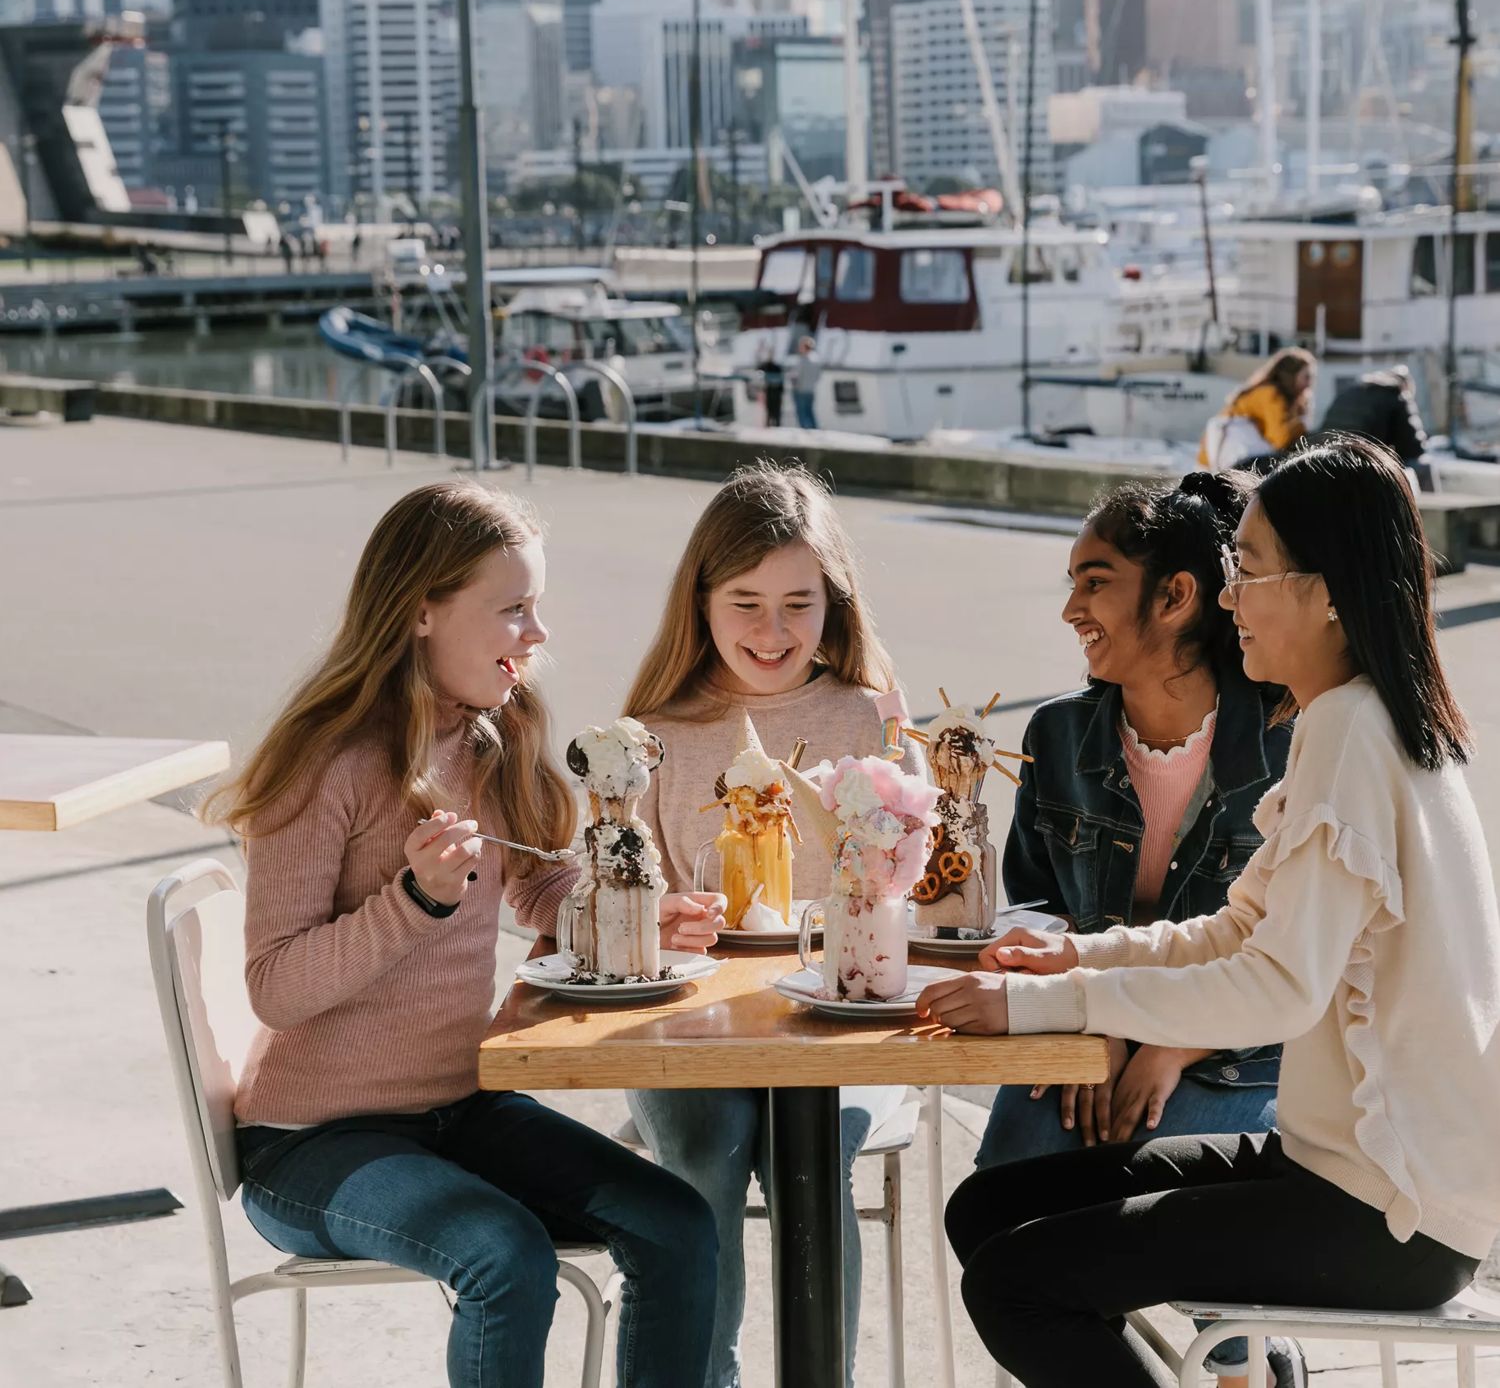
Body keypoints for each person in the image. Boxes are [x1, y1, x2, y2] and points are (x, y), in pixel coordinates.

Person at [920, 437, 1500, 1388]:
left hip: (1389, 1215)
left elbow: (1275, 988)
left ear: (1326, 593)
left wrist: (1043, 1009)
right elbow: (1239, 930)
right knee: (990, 1214)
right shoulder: (1349, 718)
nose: (1229, 597)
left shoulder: (1354, 729)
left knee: (1014, 1283)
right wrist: (1074, 966)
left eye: (1251, 570)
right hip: (1332, 1172)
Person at [205, 482, 719, 1388]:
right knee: (503, 1254)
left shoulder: (493, 732)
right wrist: (416, 900)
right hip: (311, 1142)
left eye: (538, 607)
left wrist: (632, 919)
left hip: (457, 1107)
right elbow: (273, 986)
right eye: (514, 609)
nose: (539, 633)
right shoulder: (323, 760)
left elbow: (542, 885)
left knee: (675, 1222)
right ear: (421, 614)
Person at [621, 460, 920, 1388]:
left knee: (813, 1146)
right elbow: (608, 907)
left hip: (837, 1013)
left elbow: (920, 884)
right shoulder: (653, 732)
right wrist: (658, 923)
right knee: (707, 1152)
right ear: (700, 601)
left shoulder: (870, 717)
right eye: (745, 602)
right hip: (690, 1019)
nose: (772, 630)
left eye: (798, 603)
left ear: (833, 604)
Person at [976, 471, 1287, 1188]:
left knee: (1119, 1184)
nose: (1069, 610)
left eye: (1094, 582)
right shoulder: (1055, 735)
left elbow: (1294, 958)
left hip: (1236, 1049)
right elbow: (1035, 909)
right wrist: (1092, 1023)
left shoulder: (1288, 745)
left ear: (1176, 596)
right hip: (1084, 1025)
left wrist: (1172, 1043)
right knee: (1002, 1188)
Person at [1199, 347, 1316, 470]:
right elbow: (1280, 440)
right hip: (1226, 460)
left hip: (1217, 458)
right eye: (1307, 377)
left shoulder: (1277, 395)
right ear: (1291, 376)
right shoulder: (1270, 394)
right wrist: (1301, 425)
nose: (1310, 383)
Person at [1317, 365, 1428, 471]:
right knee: (1420, 466)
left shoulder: (1351, 391)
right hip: (1359, 460)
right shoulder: (1396, 395)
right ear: (1406, 386)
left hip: (1327, 455)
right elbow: (1413, 448)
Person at [789, 334, 820, 431]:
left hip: (800, 390)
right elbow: (818, 376)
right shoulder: (816, 359)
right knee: (810, 411)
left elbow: (797, 376)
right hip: (811, 390)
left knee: (802, 413)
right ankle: (815, 430)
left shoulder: (802, 360)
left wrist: (794, 383)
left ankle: (805, 431)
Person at [757, 334, 786, 428]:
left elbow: (781, 381)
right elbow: (758, 368)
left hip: (776, 392)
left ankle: (777, 427)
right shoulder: (765, 366)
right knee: (768, 411)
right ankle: (768, 426)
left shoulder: (777, 367)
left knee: (776, 411)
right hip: (769, 391)